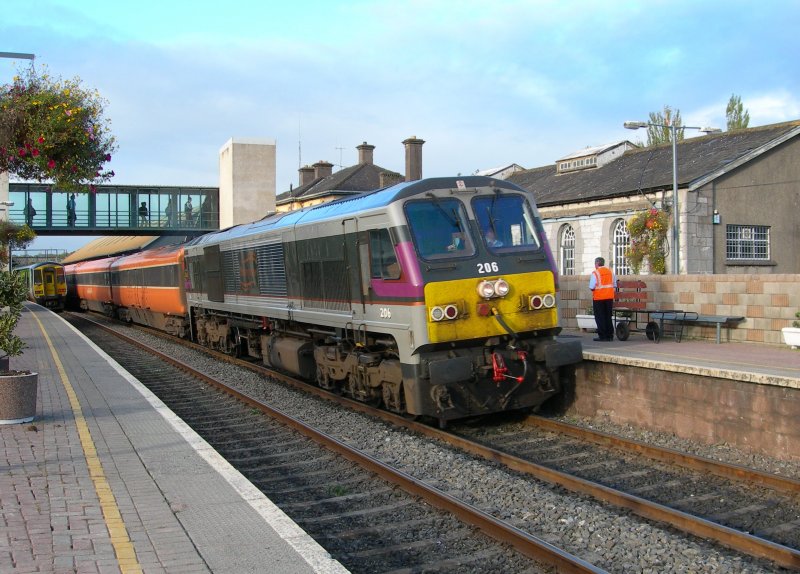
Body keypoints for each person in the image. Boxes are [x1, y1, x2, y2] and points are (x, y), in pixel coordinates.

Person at [589, 256, 617, 342]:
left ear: (597, 263)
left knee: (600, 317)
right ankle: (610, 335)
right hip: (609, 297)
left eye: (595, 263)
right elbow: (615, 285)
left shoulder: (595, 273)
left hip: (599, 298)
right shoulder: (610, 272)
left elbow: (591, 286)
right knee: (608, 316)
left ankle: (603, 336)